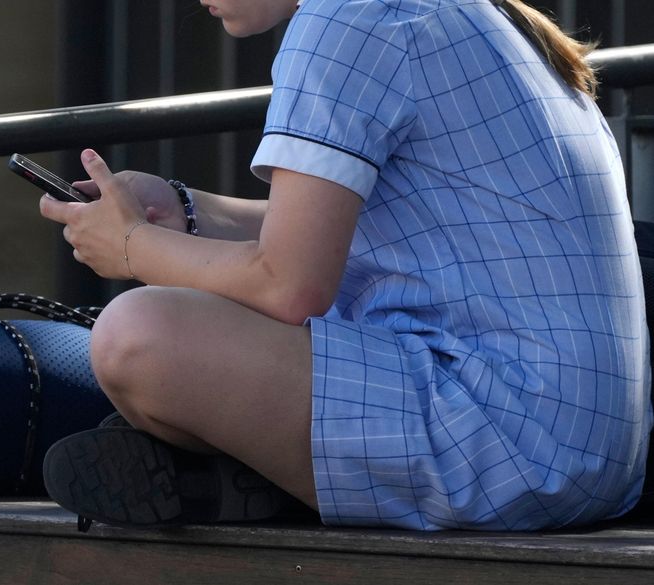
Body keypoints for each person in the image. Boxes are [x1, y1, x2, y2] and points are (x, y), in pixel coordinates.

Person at [38, 0, 653, 531]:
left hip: (504, 450)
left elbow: (289, 286)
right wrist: (183, 209)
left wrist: (132, 249)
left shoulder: (350, 19)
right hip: (595, 457)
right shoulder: (471, 15)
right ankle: (237, 482)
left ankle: (243, 477)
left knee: (135, 338)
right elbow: (361, 226)